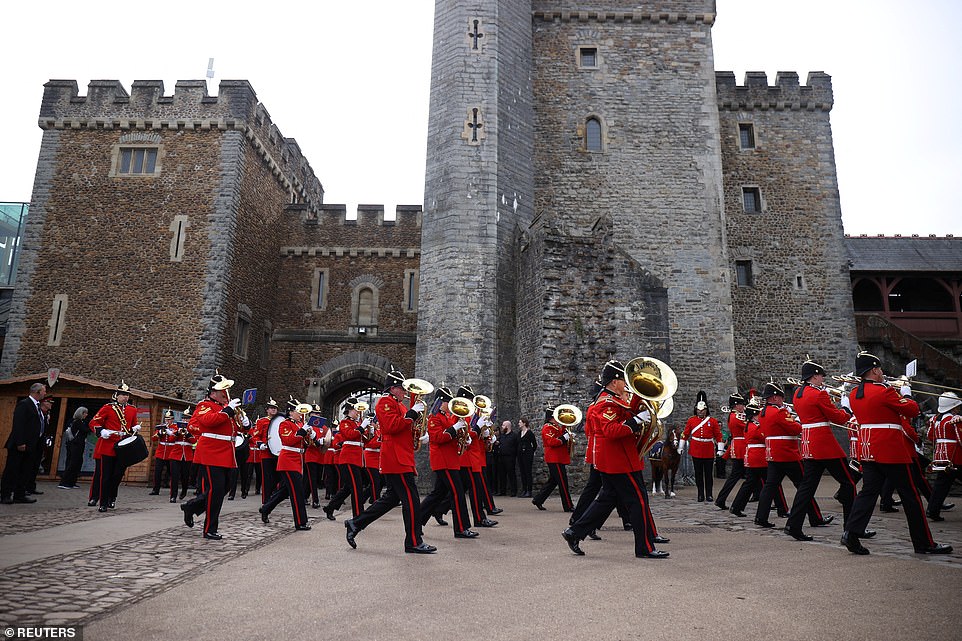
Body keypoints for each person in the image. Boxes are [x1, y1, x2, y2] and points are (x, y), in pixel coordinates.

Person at [842, 351, 951, 555]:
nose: (882, 372)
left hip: (868, 449)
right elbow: (911, 410)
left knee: (868, 493)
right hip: (890, 449)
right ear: (874, 370)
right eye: (880, 369)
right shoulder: (884, 391)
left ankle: (851, 532)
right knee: (910, 495)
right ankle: (923, 542)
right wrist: (907, 393)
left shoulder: (855, 394)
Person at [562, 360, 669, 559]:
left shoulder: (614, 399)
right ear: (614, 382)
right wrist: (637, 420)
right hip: (618, 460)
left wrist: (638, 406)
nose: (626, 385)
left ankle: (574, 532)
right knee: (637, 500)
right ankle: (644, 547)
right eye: (623, 381)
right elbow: (612, 431)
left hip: (618, 458)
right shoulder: (605, 404)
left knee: (607, 499)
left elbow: (626, 411)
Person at [343, 369, 436, 554]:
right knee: (411, 499)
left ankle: (355, 523)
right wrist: (411, 414)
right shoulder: (384, 402)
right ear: (393, 389)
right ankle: (413, 541)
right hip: (395, 457)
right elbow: (391, 426)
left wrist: (419, 436)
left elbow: (405, 428)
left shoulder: (400, 404)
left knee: (391, 499)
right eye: (403, 389)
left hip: (403, 455)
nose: (405, 393)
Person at [784, 359, 859, 541]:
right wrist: (846, 409)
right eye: (820, 376)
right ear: (815, 375)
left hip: (809, 443)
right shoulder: (819, 394)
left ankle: (793, 525)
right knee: (848, 483)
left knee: (807, 487)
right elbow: (837, 417)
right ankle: (851, 529)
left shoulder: (797, 393)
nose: (822, 379)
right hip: (824, 443)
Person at [753, 381, 828, 530]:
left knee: (770, 486)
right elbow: (795, 429)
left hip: (773, 453)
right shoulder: (779, 412)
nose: (782, 400)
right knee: (804, 486)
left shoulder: (763, 413)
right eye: (780, 397)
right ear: (774, 398)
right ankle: (815, 517)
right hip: (788, 453)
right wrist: (799, 419)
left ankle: (761, 517)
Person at [181, 372, 246, 540]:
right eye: (222, 390)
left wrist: (245, 423)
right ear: (213, 393)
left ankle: (191, 506)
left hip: (227, 452)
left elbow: (236, 429)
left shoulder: (226, 407)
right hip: (212, 452)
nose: (226, 393)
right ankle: (209, 528)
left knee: (223, 489)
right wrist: (228, 410)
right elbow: (208, 421)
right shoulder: (205, 405)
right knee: (215, 490)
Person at [418, 386, 477, 538]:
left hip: (450, 460)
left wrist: (464, 436)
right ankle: (461, 528)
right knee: (457, 493)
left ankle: (416, 521)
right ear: (440, 402)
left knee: (438, 494)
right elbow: (438, 438)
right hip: (443, 461)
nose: (450, 404)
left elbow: (451, 436)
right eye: (447, 401)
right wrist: (454, 428)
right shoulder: (434, 417)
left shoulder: (447, 416)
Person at [258, 399, 313, 531]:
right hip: (288, 461)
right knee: (297, 492)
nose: (300, 414)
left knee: (284, 491)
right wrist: (301, 433)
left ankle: (266, 508)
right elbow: (288, 440)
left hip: (297, 460)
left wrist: (309, 435)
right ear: (290, 412)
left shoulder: (299, 424)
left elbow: (305, 444)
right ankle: (300, 522)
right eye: (297, 411)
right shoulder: (284, 424)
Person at [88, 382, 142, 512]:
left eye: (127, 395)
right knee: (105, 475)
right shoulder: (108, 408)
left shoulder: (132, 409)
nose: (125, 397)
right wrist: (101, 431)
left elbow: (132, 426)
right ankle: (103, 501)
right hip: (108, 444)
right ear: (117, 395)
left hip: (124, 446)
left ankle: (112, 498)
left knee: (117, 475)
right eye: (123, 394)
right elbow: (94, 422)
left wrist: (135, 428)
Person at [2, 382, 47, 504]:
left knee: (25, 471)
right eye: (43, 391)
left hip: (31, 445)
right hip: (20, 445)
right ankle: (5, 494)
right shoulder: (24, 404)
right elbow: (19, 425)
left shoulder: (37, 406)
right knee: (12, 470)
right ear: (37, 392)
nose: (45, 393)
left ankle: (19, 495)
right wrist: (20, 442)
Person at [324, 398, 367, 520]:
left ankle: (330, 507)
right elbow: (350, 435)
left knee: (348, 488)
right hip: (349, 458)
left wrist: (369, 431)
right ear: (349, 410)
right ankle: (358, 516)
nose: (357, 412)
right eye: (355, 410)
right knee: (356, 488)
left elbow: (365, 440)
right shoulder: (345, 422)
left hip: (356, 458)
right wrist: (361, 428)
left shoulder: (357, 423)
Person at [680, 391, 722, 502]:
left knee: (708, 474)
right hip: (696, 449)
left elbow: (718, 435)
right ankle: (700, 494)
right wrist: (681, 446)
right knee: (698, 474)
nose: (700, 412)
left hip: (708, 449)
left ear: (706, 410)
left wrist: (720, 449)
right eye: (698, 410)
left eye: (702, 410)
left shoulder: (712, 421)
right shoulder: (691, 420)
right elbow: (686, 433)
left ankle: (709, 494)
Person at [927, 392, 962, 522]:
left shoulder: (935, 420)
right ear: (952, 407)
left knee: (941, 485)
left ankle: (933, 510)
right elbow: (960, 439)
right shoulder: (955, 420)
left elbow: (930, 436)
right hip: (955, 456)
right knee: (942, 484)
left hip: (940, 455)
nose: (958, 409)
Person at [532, 408, 574, 512]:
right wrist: (564, 438)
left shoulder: (555, 427)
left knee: (553, 481)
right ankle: (568, 505)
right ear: (551, 418)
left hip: (559, 457)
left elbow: (561, 434)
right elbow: (552, 442)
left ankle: (538, 499)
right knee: (563, 482)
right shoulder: (547, 427)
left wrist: (566, 428)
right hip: (554, 458)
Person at [714, 393, 747, 510]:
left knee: (738, 476)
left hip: (740, 446)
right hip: (741, 448)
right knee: (741, 476)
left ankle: (721, 499)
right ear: (736, 405)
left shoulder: (736, 415)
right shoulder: (736, 417)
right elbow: (748, 426)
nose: (743, 407)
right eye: (742, 404)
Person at [167, 410, 195, 503]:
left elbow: (194, 441)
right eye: (183, 418)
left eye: (187, 418)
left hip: (187, 455)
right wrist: (177, 433)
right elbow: (170, 439)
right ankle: (173, 496)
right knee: (174, 476)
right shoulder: (175, 427)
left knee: (185, 476)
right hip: (176, 454)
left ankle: (184, 491)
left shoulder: (192, 428)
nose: (184, 420)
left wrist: (187, 434)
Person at [59, 406, 90, 489]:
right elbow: (85, 430)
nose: (86, 415)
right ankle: (64, 482)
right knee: (72, 463)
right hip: (75, 445)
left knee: (77, 463)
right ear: (81, 413)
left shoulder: (74, 421)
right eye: (85, 413)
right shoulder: (78, 422)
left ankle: (71, 482)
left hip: (75, 444)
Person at [149, 410, 174, 495]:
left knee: (171, 472)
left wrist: (169, 432)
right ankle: (156, 489)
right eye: (166, 419)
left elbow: (174, 438)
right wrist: (159, 433)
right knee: (157, 472)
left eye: (169, 419)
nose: (168, 421)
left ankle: (172, 489)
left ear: (173, 419)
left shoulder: (175, 427)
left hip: (170, 452)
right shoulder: (161, 427)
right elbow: (153, 438)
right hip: (161, 452)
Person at [496, 420, 519, 496]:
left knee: (511, 475)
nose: (502, 427)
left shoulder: (514, 436)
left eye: (503, 425)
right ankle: (502, 491)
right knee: (502, 475)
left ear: (507, 426)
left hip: (510, 458)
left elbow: (516, 447)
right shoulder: (502, 436)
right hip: (501, 457)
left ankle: (513, 491)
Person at [518, 417, 537, 498]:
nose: (519, 424)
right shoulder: (519, 433)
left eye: (520, 422)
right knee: (522, 472)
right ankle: (524, 489)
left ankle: (529, 491)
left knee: (527, 472)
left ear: (524, 423)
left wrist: (530, 451)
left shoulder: (529, 433)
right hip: (520, 455)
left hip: (527, 455)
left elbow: (534, 444)